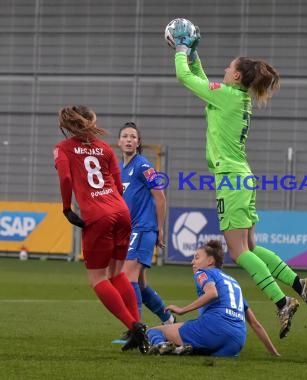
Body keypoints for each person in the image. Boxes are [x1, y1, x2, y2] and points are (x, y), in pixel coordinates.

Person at [167, 19, 307, 338]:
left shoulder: (226, 96)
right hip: (243, 177)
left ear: (236, 75)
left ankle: (282, 303)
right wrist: (194, 55)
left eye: (228, 66)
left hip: (231, 179)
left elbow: (184, 77)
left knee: (238, 252)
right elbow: (198, 77)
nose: (223, 69)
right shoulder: (236, 97)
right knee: (251, 245)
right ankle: (299, 284)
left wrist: (182, 49)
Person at [53, 105, 148, 353]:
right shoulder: (105, 148)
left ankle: (133, 326)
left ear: (67, 125)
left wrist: (66, 208)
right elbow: (118, 184)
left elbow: (65, 178)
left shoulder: (62, 148)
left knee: (98, 278)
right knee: (117, 274)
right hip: (121, 212)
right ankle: (137, 325)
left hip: (98, 217)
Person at [146, 240, 280, 357]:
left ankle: (161, 345)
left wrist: (182, 310)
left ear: (210, 261)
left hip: (214, 329)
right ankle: (182, 350)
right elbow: (255, 324)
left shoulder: (203, 272)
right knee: (200, 350)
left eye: (197, 258)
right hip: (236, 342)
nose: (193, 262)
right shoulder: (233, 282)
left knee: (155, 331)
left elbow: (212, 293)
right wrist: (274, 353)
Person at [114, 122, 174, 341]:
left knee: (127, 278)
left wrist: (159, 229)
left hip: (143, 228)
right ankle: (168, 320)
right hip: (131, 230)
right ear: (119, 141)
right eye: (125, 136)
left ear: (138, 143)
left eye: (133, 137)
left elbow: (160, 197)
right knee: (140, 284)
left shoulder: (143, 165)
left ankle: (135, 331)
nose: (129, 140)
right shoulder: (120, 169)